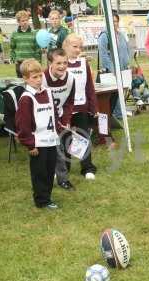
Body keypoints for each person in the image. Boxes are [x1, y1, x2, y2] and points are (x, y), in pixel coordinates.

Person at [15, 59, 60, 209]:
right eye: (34, 77)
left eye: (40, 76)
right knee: (39, 172)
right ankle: (42, 201)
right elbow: (23, 124)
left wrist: (58, 128)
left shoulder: (47, 92)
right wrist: (30, 144)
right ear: (26, 79)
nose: (39, 80)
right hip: (38, 143)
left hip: (51, 139)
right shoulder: (26, 99)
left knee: (49, 170)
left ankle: (47, 196)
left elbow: (53, 113)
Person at [63, 33, 97, 180]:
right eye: (75, 46)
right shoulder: (59, 63)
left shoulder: (84, 63)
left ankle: (87, 167)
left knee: (83, 137)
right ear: (65, 46)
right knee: (64, 138)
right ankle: (63, 167)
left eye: (80, 47)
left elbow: (90, 86)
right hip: (64, 110)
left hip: (81, 106)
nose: (78, 50)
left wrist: (93, 106)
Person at [42, 48, 76, 190]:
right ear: (50, 63)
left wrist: (66, 119)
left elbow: (69, 101)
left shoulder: (70, 78)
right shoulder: (42, 78)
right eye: (58, 63)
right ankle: (46, 177)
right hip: (44, 117)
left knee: (59, 147)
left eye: (65, 63)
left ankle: (62, 179)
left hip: (60, 116)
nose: (62, 66)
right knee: (46, 150)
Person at [98, 13, 131, 120]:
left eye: (116, 21)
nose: (114, 23)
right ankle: (117, 113)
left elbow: (126, 49)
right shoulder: (104, 36)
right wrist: (113, 68)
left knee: (120, 91)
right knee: (113, 92)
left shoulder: (120, 34)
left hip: (122, 68)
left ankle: (120, 112)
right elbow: (103, 55)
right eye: (112, 21)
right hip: (111, 70)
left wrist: (128, 63)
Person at [10, 10, 41, 78]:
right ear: (18, 22)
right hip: (19, 63)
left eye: (26, 20)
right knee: (21, 84)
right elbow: (12, 48)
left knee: (32, 83)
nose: (25, 22)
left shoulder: (34, 33)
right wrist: (14, 59)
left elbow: (37, 49)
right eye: (22, 21)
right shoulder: (14, 34)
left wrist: (38, 62)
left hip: (31, 63)